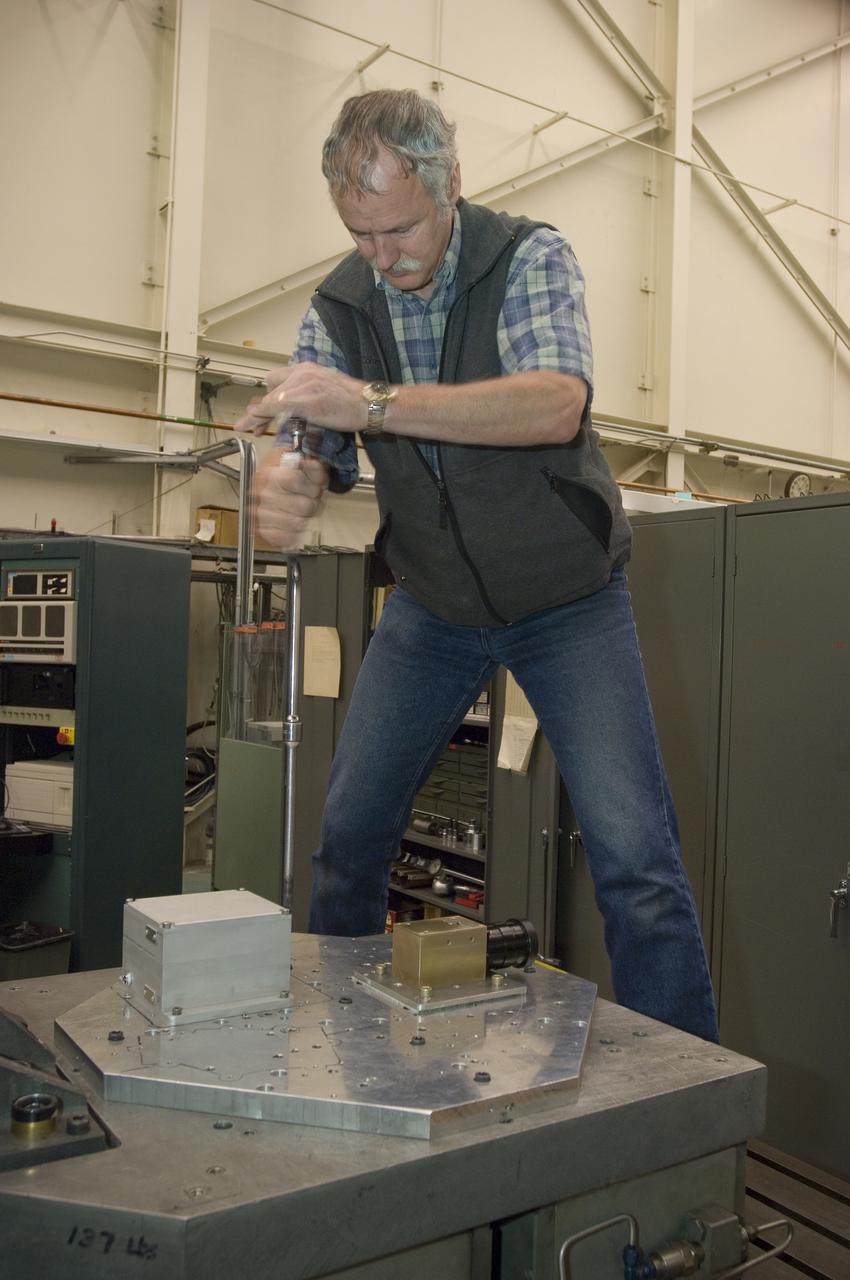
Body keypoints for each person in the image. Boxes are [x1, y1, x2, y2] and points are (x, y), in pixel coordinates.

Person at [236, 89, 719, 1042]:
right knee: (347, 842)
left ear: (452, 182)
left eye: (401, 230)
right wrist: (291, 478)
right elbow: (313, 441)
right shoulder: (340, 302)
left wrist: (365, 404)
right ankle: (345, 1066)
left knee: (636, 864)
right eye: (360, 234)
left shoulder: (528, 257)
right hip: (434, 604)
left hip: (569, 599)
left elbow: (552, 406)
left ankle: (689, 1119)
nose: (383, 258)